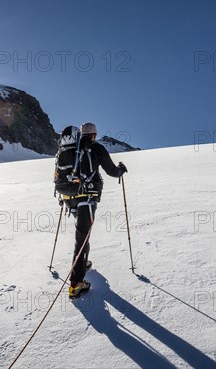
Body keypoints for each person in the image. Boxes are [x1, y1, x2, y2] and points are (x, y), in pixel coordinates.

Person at [62, 122, 127, 299]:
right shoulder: (96, 148)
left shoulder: (71, 149)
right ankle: (76, 285)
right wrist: (121, 170)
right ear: (94, 134)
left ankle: (83, 263)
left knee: (83, 234)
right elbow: (112, 171)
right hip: (87, 199)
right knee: (81, 238)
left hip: (70, 199)